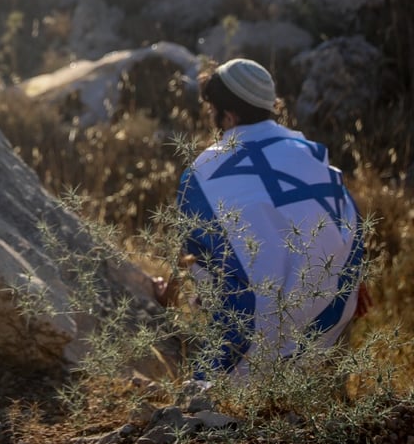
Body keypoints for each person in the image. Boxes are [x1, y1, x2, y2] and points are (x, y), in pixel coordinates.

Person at [156, 59, 369, 380]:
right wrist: (357, 281)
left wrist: (167, 296)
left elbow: (194, 254)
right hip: (325, 327)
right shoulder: (311, 154)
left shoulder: (202, 174)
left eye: (213, 109)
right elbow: (350, 225)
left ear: (228, 115)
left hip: (252, 345)